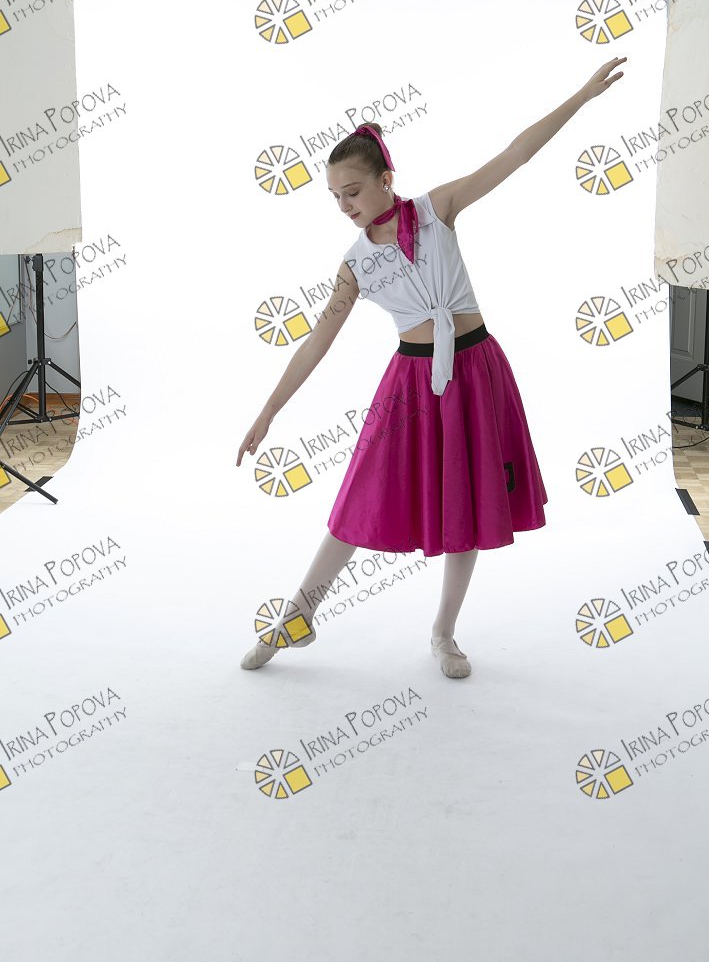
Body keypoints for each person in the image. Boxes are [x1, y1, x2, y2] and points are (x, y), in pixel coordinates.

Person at [236, 56, 627, 678]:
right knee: (359, 498)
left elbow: (514, 154)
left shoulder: (437, 209)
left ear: (386, 178)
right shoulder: (354, 265)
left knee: (466, 502)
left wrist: (581, 96)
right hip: (411, 383)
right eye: (335, 197)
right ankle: (298, 615)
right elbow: (314, 343)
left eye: (353, 191)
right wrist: (268, 412)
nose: (344, 205)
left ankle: (444, 632)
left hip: (475, 371)